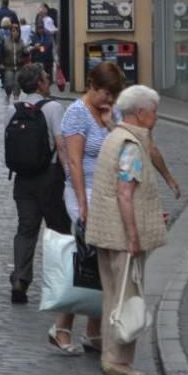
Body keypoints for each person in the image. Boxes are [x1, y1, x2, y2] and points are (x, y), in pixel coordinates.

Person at [85, 85, 168, 375]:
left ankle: (111, 356)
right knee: (127, 298)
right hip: (121, 237)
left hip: (105, 232)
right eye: (154, 112)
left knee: (112, 296)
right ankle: (119, 360)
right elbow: (124, 193)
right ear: (141, 113)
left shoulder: (113, 136)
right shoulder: (131, 144)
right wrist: (133, 235)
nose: (156, 117)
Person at [54, 62, 124, 355]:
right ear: (92, 86)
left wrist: (111, 123)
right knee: (89, 261)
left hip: (108, 193)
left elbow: (123, 145)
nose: (110, 100)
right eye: (106, 93)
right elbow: (73, 162)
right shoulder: (76, 114)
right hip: (84, 192)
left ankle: (93, 331)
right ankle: (61, 327)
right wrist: (83, 203)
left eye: (114, 95)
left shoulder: (111, 113)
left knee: (101, 261)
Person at [6, 64, 69, 306]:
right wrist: (69, 179)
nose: (48, 81)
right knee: (59, 230)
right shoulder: (53, 107)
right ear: (40, 84)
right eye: (45, 78)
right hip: (50, 176)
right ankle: (60, 283)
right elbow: (61, 144)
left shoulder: (12, 109)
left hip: (22, 178)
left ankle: (20, 279)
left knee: (26, 229)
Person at [0, 17, 24, 102]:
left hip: (19, 66)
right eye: (13, 31)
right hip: (8, 66)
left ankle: (16, 97)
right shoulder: (6, 41)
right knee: (8, 84)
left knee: (17, 83)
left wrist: (27, 51)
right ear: (10, 32)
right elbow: (1, 53)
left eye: (16, 31)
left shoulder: (21, 41)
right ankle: (8, 94)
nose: (15, 33)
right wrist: (1, 63)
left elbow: (25, 52)